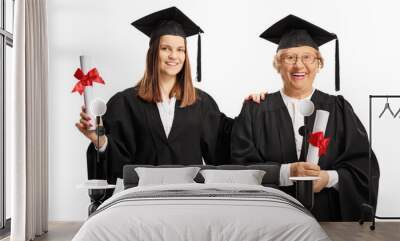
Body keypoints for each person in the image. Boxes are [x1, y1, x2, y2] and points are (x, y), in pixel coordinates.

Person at [76, 7, 262, 184]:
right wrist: (99, 141)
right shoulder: (124, 103)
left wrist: (252, 111)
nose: (174, 55)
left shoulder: (202, 103)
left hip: (189, 200)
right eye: (166, 48)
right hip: (142, 201)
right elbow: (116, 161)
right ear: (153, 53)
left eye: (180, 49)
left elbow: (228, 143)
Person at [231, 15, 379, 221]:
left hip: (329, 223)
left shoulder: (339, 109)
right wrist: (286, 172)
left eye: (307, 57)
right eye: (289, 58)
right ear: (278, 65)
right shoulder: (255, 110)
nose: (299, 65)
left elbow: (365, 167)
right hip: (271, 221)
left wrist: (329, 178)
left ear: (319, 64)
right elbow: (239, 169)